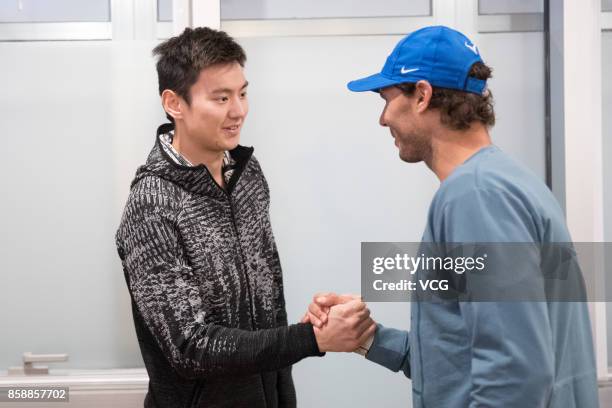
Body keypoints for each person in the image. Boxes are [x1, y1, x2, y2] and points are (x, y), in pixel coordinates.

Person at [304, 25, 599, 407]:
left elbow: (513, 376)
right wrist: (370, 338)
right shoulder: (505, 183)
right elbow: (463, 361)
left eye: (387, 97)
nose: (382, 118)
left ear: (422, 95)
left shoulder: (476, 195)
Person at [115, 27, 375, 408]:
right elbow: (190, 347)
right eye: (221, 98)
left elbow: (265, 310)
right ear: (174, 103)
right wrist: (310, 340)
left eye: (242, 93)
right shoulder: (152, 206)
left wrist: (303, 330)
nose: (238, 110)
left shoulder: (247, 175)